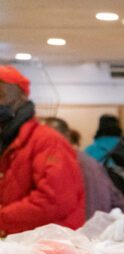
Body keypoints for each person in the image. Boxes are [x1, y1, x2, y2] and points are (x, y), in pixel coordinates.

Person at [0, 66, 85, 236]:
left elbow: (54, 200)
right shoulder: (9, 142)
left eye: (1, 95)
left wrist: (3, 218)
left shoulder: (47, 141)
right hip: (22, 244)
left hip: (49, 248)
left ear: (21, 97)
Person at [42, 117, 124, 219]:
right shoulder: (91, 161)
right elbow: (117, 200)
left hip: (79, 229)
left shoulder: (88, 152)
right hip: (103, 225)